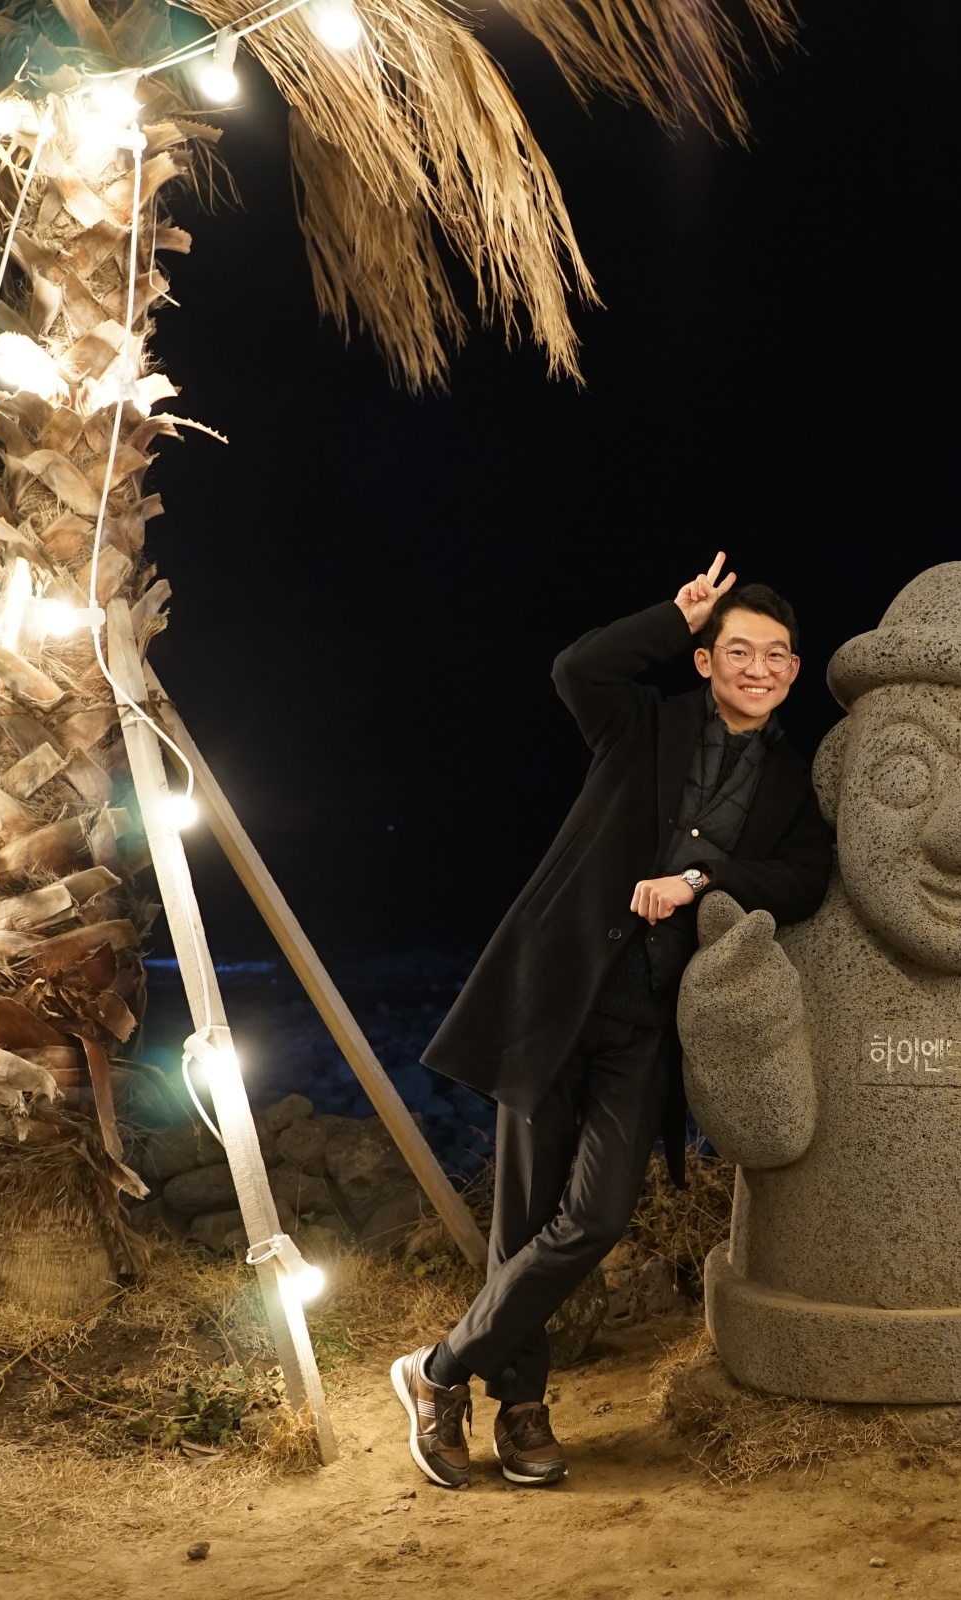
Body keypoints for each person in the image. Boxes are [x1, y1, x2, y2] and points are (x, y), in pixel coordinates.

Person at [391, 554, 833, 1488]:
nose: (758, 667)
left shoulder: (793, 785)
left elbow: (801, 880)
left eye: (776, 656)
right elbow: (576, 668)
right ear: (707, 659)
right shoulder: (643, 722)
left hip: (649, 1029)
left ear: (794, 671)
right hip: (556, 999)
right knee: (522, 1222)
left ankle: (437, 1370)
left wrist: (702, 880)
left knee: (593, 1217)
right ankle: (520, 1411)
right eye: (738, 650)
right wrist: (676, 615)